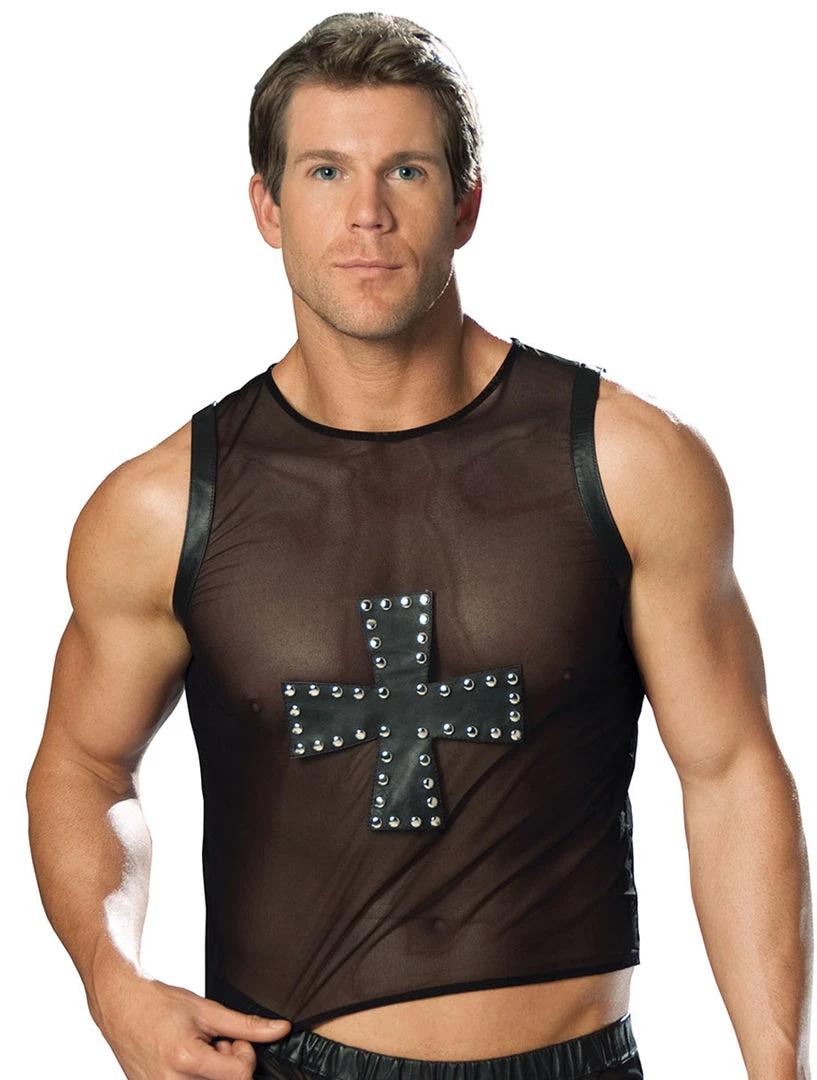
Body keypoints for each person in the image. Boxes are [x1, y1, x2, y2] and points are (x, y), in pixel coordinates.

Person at [26, 11, 811, 1080]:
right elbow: (81, 763)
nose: (367, 214)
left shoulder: (629, 463)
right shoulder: (161, 508)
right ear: (266, 208)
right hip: (287, 1064)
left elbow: (728, 770)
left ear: (466, 202)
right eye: (324, 172)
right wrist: (112, 985)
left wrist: (776, 1068)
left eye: (406, 169)